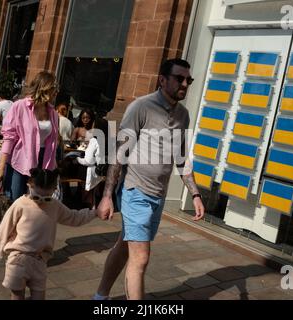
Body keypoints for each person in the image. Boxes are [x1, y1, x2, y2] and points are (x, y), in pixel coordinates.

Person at [93, 59, 205, 300]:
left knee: (124, 246)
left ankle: (100, 295)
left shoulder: (183, 116)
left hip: (158, 196)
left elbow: (182, 158)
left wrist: (195, 194)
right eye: (179, 78)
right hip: (135, 192)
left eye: (189, 80)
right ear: (162, 79)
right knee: (140, 258)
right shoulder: (140, 107)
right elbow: (120, 154)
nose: (185, 84)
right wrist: (107, 196)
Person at [0, 168, 108, 300]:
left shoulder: (54, 205)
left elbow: (73, 217)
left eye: (47, 198)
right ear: (30, 185)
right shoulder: (20, 204)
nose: (41, 201)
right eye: (36, 197)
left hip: (40, 261)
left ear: (54, 190)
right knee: (17, 296)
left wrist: (94, 213)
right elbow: (3, 230)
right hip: (17, 260)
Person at [0, 71, 60, 253]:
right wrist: (0, 167)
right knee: (12, 201)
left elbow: (53, 143)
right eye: (53, 88)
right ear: (44, 88)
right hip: (20, 160)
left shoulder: (53, 113)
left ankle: (16, 243)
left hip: (42, 164)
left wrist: (53, 170)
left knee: (34, 205)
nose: (56, 92)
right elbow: (9, 138)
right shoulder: (20, 107)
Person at [75, 119, 108, 209]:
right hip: (104, 171)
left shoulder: (94, 140)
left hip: (93, 172)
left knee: (75, 168)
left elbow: (88, 161)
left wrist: (77, 159)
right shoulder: (109, 140)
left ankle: (84, 201)